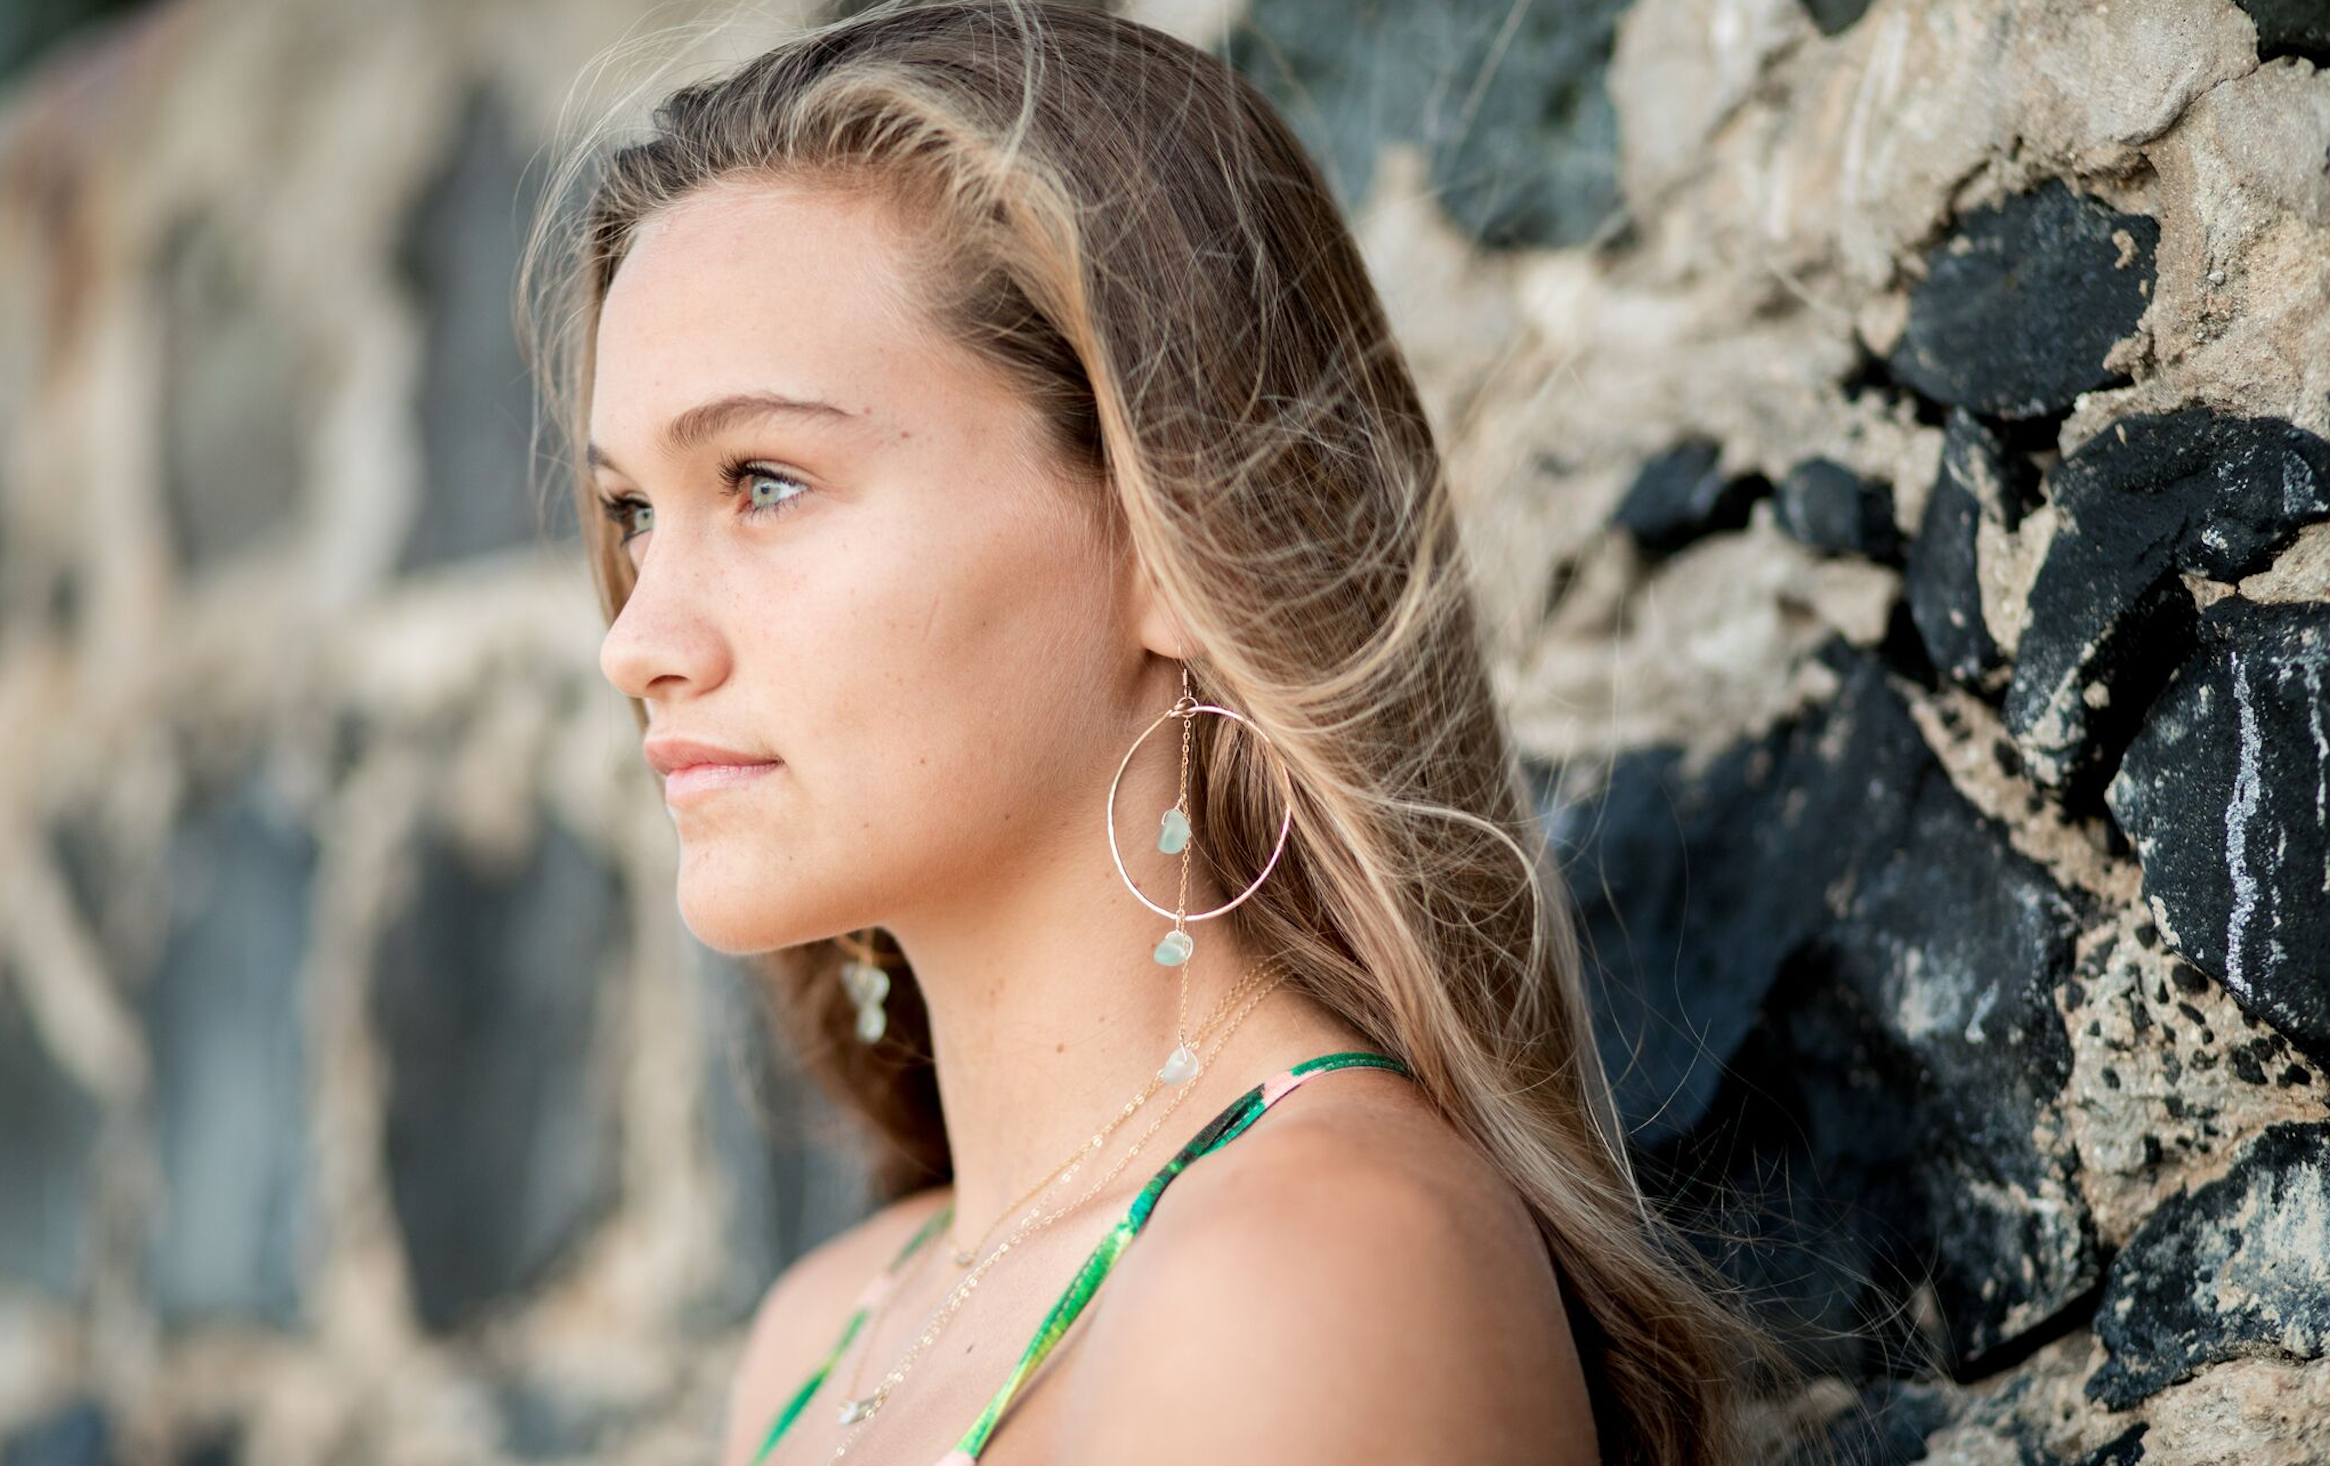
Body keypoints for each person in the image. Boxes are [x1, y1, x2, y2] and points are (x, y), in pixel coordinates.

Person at [521, 3, 1795, 1462]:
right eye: (632, 511)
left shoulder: (1312, 1265)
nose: (636, 638)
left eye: (763, 480)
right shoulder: (825, 1333)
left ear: (1170, 542)